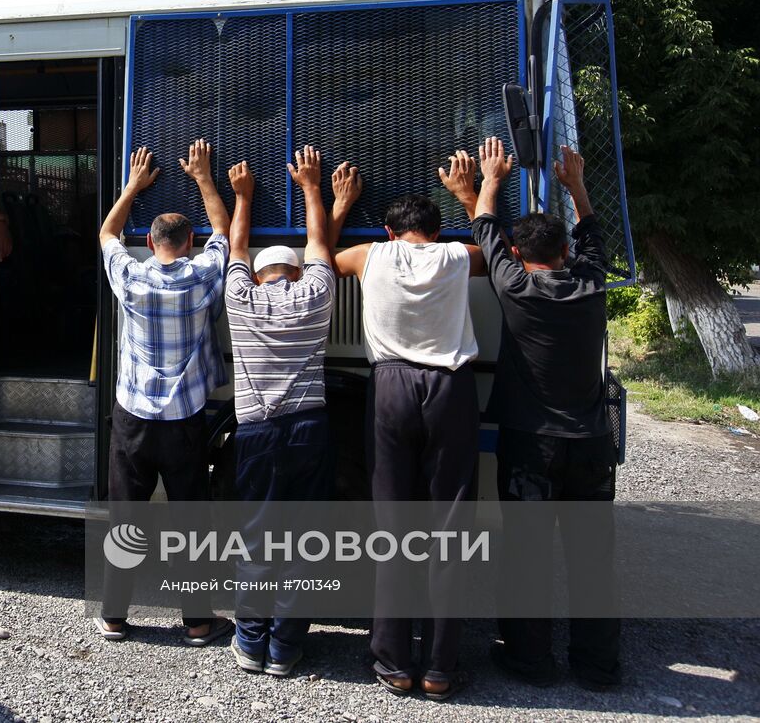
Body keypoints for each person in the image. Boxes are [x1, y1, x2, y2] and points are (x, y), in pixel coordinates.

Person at [444, 138, 621, 691]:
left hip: (531, 445)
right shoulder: (592, 283)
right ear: (566, 253)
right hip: (591, 441)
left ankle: (531, 661)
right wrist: (576, 188)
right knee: (593, 557)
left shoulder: (516, 286)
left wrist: (483, 183)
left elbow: (487, 232)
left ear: (520, 258)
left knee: (526, 554)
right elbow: (593, 236)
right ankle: (598, 667)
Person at [332, 179, 487, 700]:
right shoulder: (455, 256)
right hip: (450, 388)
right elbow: (500, 253)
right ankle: (440, 669)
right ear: (437, 231)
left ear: (389, 230)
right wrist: (474, 193)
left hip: (392, 387)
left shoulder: (368, 255)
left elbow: (322, 259)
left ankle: (394, 663)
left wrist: (338, 204)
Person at [224, 148, 361, 676]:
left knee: (257, 535)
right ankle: (284, 650)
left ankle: (249, 641)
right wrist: (315, 188)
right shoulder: (316, 296)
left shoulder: (241, 299)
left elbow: (237, 242)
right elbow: (321, 245)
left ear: (258, 277)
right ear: (298, 273)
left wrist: (243, 196)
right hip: (310, 428)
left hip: (256, 430)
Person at [95, 141, 234, 647]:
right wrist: (203, 176)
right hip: (184, 422)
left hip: (132, 420)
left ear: (151, 243)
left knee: (126, 519)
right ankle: (197, 622)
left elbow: (108, 232)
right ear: (190, 241)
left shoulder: (130, 277)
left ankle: (113, 616)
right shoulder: (202, 277)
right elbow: (223, 228)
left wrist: (134, 185)